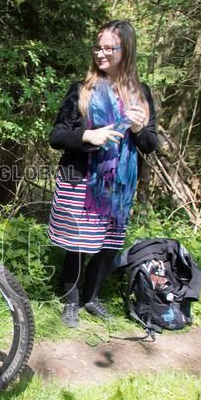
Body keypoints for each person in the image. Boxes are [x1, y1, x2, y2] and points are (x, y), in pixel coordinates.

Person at [47, 20, 158, 328]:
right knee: (79, 244)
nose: (101, 53)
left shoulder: (141, 94)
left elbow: (150, 144)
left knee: (109, 244)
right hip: (80, 179)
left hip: (119, 188)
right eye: (98, 47)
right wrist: (87, 137)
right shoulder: (81, 91)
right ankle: (70, 300)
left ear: (127, 50)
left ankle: (91, 298)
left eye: (110, 48)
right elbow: (56, 136)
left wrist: (137, 127)